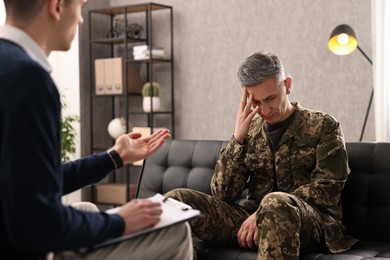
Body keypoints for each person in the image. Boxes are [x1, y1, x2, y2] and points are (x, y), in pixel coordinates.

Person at [0, 0, 192, 259]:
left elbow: (33, 183)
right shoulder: (28, 79)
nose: (81, 19)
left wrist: (114, 156)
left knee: (88, 209)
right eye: (80, 6)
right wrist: (121, 221)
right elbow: (36, 223)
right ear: (56, 7)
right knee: (175, 231)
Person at [165, 51, 359, 259]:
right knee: (175, 202)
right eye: (256, 102)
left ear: (287, 85)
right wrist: (238, 139)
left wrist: (262, 213)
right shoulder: (249, 131)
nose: (265, 110)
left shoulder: (324, 126)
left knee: (275, 204)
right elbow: (223, 194)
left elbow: (327, 189)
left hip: (313, 223)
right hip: (251, 221)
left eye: (271, 98)